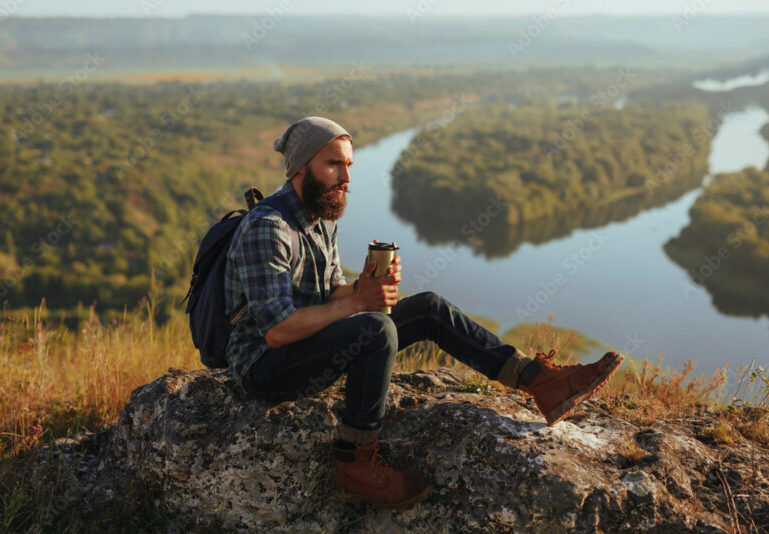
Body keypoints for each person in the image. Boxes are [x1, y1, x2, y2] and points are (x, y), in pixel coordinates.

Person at [223, 116, 623, 509]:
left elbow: (328, 293)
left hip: (307, 344)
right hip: (265, 367)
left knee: (427, 307)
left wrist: (363, 286)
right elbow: (277, 330)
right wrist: (361, 303)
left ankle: (539, 382)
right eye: (333, 164)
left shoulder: (320, 215)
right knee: (377, 330)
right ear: (301, 167)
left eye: (349, 165)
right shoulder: (269, 227)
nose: (346, 177)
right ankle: (355, 464)